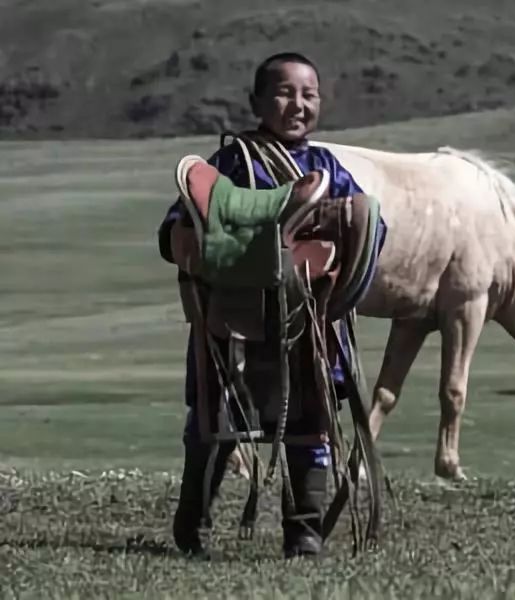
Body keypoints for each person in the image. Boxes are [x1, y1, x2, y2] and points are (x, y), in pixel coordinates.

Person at [157, 51, 386, 560]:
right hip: (231, 318)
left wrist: (337, 223)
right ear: (257, 101)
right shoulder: (231, 163)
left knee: (310, 419)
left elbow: (370, 229)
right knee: (213, 421)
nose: (298, 104)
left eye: (309, 94)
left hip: (306, 319)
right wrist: (197, 242)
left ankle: (303, 532)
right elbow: (177, 227)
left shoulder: (327, 169)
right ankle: (193, 518)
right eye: (284, 92)